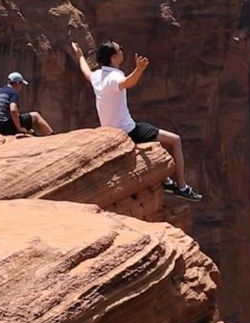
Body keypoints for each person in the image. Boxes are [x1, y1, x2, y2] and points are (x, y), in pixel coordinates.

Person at [70, 40, 203, 202]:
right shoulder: (114, 76)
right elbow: (127, 83)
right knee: (175, 140)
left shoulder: (98, 75)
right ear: (113, 57)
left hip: (108, 129)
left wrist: (80, 55)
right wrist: (139, 69)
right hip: (128, 130)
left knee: (154, 144)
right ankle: (182, 187)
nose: (122, 52)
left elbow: (86, 71)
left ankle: (166, 180)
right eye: (120, 50)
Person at [0, 72, 54, 136]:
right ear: (17, 83)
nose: (21, 87)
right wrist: (19, 128)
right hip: (5, 128)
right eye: (21, 84)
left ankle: (32, 133)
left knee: (19, 117)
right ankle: (51, 136)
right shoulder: (13, 93)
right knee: (35, 115)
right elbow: (13, 110)